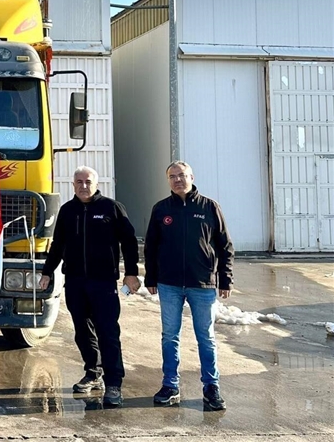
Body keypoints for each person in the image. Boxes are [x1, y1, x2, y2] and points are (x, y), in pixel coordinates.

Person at [39, 166, 140, 407]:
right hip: (75, 281)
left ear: (96, 184)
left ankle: (114, 383)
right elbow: (58, 245)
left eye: (88, 181)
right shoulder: (67, 211)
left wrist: (131, 273)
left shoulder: (111, 208)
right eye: (79, 182)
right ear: (73, 185)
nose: (84, 185)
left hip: (103, 282)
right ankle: (93, 373)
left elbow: (129, 241)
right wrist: (47, 271)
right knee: (82, 332)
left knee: (108, 332)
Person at [145, 161, 234, 411]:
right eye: (172, 176)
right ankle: (170, 385)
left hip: (202, 284)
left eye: (182, 175)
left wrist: (225, 279)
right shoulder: (161, 209)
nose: (177, 180)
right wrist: (151, 278)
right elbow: (151, 247)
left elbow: (225, 246)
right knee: (169, 337)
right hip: (169, 285)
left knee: (206, 337)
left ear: (192, 177)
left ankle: (211, 387)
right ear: (168, 181)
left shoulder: (209, 207)